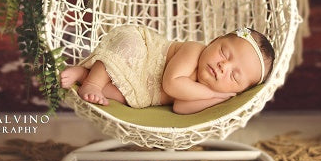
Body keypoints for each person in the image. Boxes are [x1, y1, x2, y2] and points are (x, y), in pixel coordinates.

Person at [60, 25, 275, 114]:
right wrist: (213, 92)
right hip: (142, 52)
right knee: (123, 53)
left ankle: (83, 76)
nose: (223, 66)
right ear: (214, 40)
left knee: (122, 95)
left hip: (143, 89)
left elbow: (180, 107)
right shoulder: (194, 50)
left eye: (234, 76)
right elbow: (172, 85)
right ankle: (92, 82)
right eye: (224, 53)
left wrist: (219, 97)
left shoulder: (209, 90)